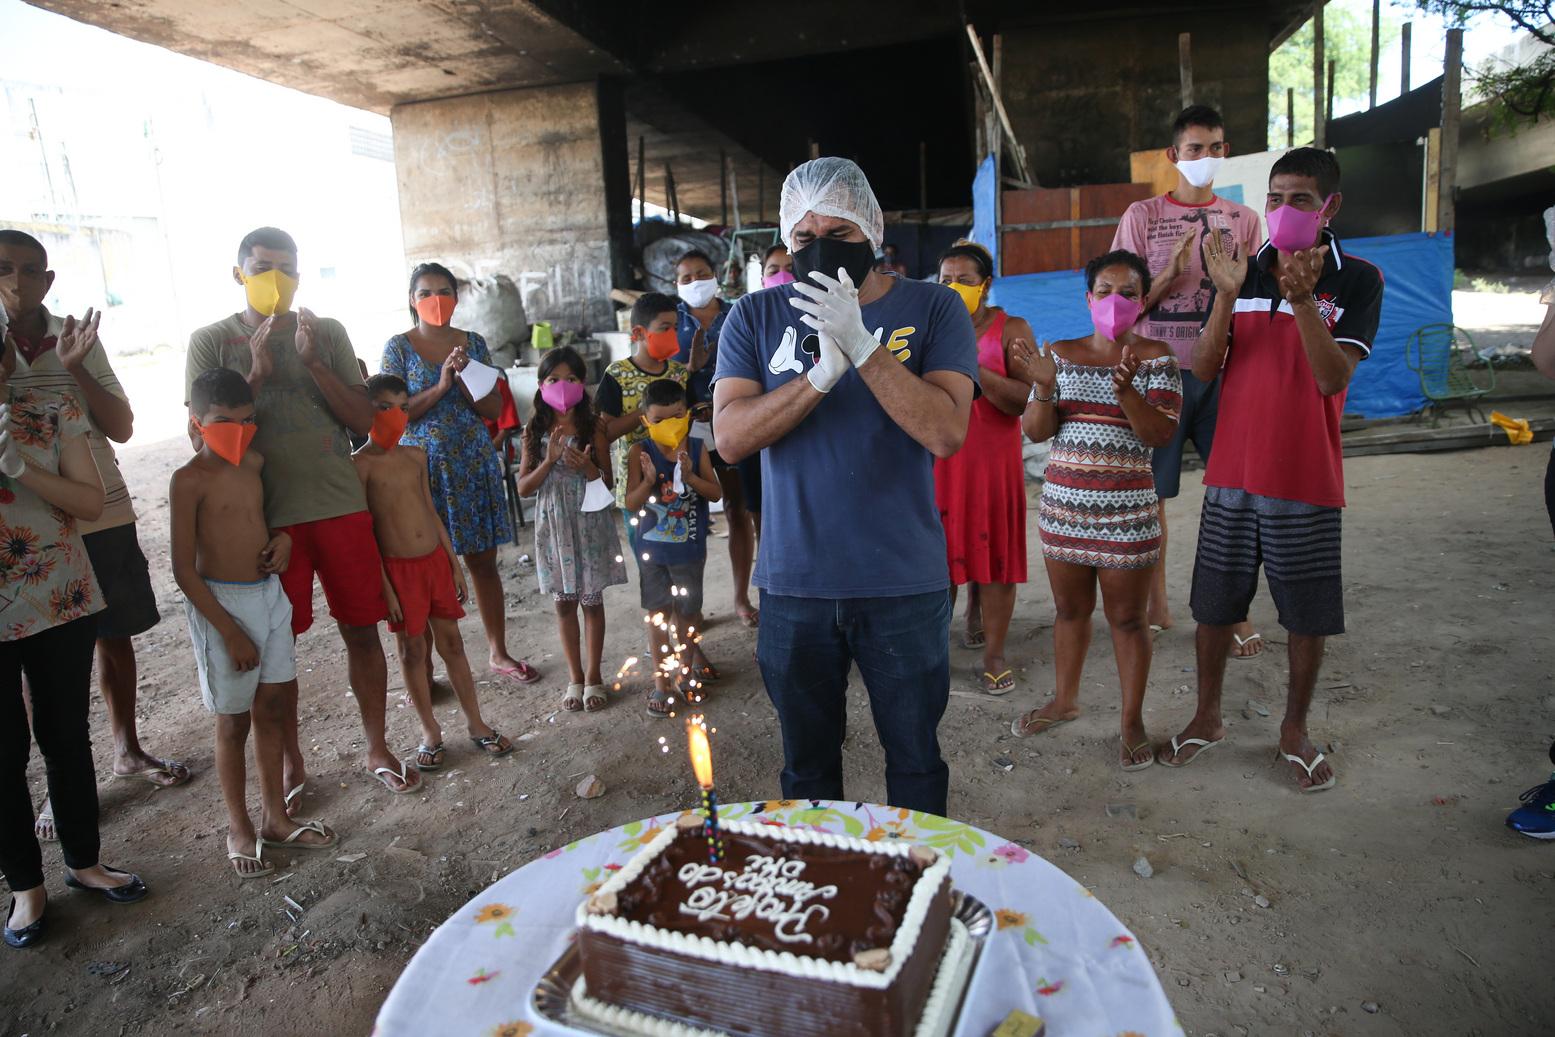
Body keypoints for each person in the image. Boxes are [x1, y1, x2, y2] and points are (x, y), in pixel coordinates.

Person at [712, 157, 977, 816]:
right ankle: (822, 897)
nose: (820, 247)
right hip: (795, 583)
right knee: (806, 768)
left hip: (902, 582)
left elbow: (945, 432)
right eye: (803, 237)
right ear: (784, 240)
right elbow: (731, 437)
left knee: (914, 758)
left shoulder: (934, 306)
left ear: (872, 231)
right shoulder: (754, 315)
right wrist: (818, 378)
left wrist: (863, 349)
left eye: (839, 232)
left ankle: (914, 896)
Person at [1162, 148, 1383, 793]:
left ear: (1330, 206)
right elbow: (1203, 369)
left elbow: (1331, 376)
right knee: (1213, 606)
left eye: (1302, 200)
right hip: (1231, 471)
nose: (1285, 211)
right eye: (1277, 198)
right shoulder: (1242, 270)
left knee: (1306, 614)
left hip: (1305, 477)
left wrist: (1306, 301)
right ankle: (1207, 717)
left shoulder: (1359, 279)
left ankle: (1293, 729)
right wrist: (1226, 297)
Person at [185, 227, 420, 798]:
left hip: (338, 504)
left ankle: (377, 745)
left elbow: (363, 421)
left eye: (287, 268)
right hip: (268, 523)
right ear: (237, 272)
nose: (277, 279)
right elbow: (202, 444)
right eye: (264, 266)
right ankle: (292, 763)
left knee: (362, 630)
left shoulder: (327, 332)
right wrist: (258, 375)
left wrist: (314, 364)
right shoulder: (212, 341)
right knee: (275, 652)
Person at [0, 230, 189, 848]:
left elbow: (123, 426)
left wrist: (74, 370)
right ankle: (60, 786)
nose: (18, 282)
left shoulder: (74, 336)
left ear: (49, 281)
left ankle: (126, 748)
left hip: (98, 514)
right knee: (38, 654)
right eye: (4, 270)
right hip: (23, 534)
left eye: (31, 271)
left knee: (113, 635)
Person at [2, 307, 147, 949]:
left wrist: (18, 467)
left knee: (65, 735)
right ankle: (25, 888)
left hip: (58, 589)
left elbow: (90, 500)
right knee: (3, 753)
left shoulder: (47, 405)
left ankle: (84, 863)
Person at [1008, 251, 1182, 769]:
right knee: (1069, 612)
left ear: (1143, 300)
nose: (1115, 302)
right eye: (1104, 291)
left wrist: (1126, 393)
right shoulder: (1058, 354)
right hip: (1064, 513)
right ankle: (1065, 700)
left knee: (1128, 620)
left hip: (1128, 516)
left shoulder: (1157, 358)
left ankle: (1132, 722)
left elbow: (1161, 434)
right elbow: (1037, 432)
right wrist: (1041, 386)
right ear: (1088, 299)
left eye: (1128, 293)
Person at [1111, 105, 1265, 658]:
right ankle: (1156, 608)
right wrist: (1169, 275)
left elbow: (1252, 304)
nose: (1206, 158)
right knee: (1152, 497)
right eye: (1195, 148)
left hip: (1225, 374)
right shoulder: (1143, 216)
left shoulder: (1244, 221)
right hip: (1157, 375)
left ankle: (1235, 612)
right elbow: (1118, 309)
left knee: (1235, 496)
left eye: (1216, 147)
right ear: (1175, 155)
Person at [172, 369, 337, 879]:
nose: (237, 432)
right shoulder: (188, 481)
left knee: (272, 704)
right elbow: (182, 569)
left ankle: (275, 818)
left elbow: (270, 520)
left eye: (246, 421)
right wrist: (228, 629)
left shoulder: (256, 463)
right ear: (196, 423)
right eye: (223, 422)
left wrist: (283, 540)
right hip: (222, 605)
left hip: (269, 596)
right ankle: (238, 826)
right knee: (232, 720)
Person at [381, 263, 540, 686]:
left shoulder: (474, 344)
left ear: (456, 296)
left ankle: (498, 652)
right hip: (421, 469)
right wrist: (441, 384)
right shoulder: (398, 348)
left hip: (472, 462)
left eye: (445, 291)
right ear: (411, 300)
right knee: (427, 568)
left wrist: (468, 377)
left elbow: (492, 409)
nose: (436, 300)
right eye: (426, 292)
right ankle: (429, 666)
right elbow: (393, 415)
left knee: (483, 563)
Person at [354, 374, 513, 771]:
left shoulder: (415, 456)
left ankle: (476, 723)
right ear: (367, 411)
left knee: (453, 644)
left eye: (404, 407)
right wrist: (385, 588)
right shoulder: (359, 466)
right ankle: (430, 731)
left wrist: (453, 564)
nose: (397, 415)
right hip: (397, 572)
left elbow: (431, 512)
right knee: (411, 651)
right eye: (385, 407)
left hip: (434, 563)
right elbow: (367, 534)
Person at [934, 240, 1037, 693]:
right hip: (940, 463)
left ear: (986, 285)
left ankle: (994, 652)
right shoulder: (927, 328)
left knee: (994, 562)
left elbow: (1026, 403)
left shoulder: (1011, 329)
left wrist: (977, 368)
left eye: (965, 281)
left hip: (993, 465)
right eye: (946, 280)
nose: (954, 288)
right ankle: (936, 652)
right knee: (938, 564)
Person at [515, 346, 627, 713]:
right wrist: (548, 462)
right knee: (564, 604)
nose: (562, 386)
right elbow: (523, 488)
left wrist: (589, 470)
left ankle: (594, 677)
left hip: (588, 519)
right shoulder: (534, 429)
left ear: (583, 383)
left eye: (571, 379)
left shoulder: (593, 425)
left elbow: (608, 481)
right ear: (540, 384)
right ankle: (574, 678)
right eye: (553, 379)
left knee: (592, 601)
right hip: (554, 525)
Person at [624, 379, 723, 717]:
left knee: (688, 616)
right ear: (645, 421)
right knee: (657, 617)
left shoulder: (697, 449)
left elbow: (715, 493)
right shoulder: (640, 452)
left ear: (688, 415)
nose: (670, 425)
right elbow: (631, 504)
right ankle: (661, 684)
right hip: (653, 555)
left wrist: (691, 477)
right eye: (660, 420)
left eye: (677, 416)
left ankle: (686, 674)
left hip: (689, 553)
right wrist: (650, 481)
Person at [674, 250, 760, 628]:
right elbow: (657, 377)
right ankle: (692, 607)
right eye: (686, 277)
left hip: (734, 423)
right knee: (690, 520)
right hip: (685, 433)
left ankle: (741, 597)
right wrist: (688, 370)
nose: (695, 282)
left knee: (738, 510)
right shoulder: (668, 321)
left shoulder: (738, 313)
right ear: (676, 284)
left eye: (702, 273)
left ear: (716, 275)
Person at [595, 292, 690, 525]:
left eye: (675, 328)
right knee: (644, 548)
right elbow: (606, 432)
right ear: (638, 333)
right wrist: (645, 414)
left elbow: (687, 425)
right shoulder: (617, 375)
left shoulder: (679, 373)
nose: (672, 335)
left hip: (675, 478)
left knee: (681, 542)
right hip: (635, 483)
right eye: (664, 328)